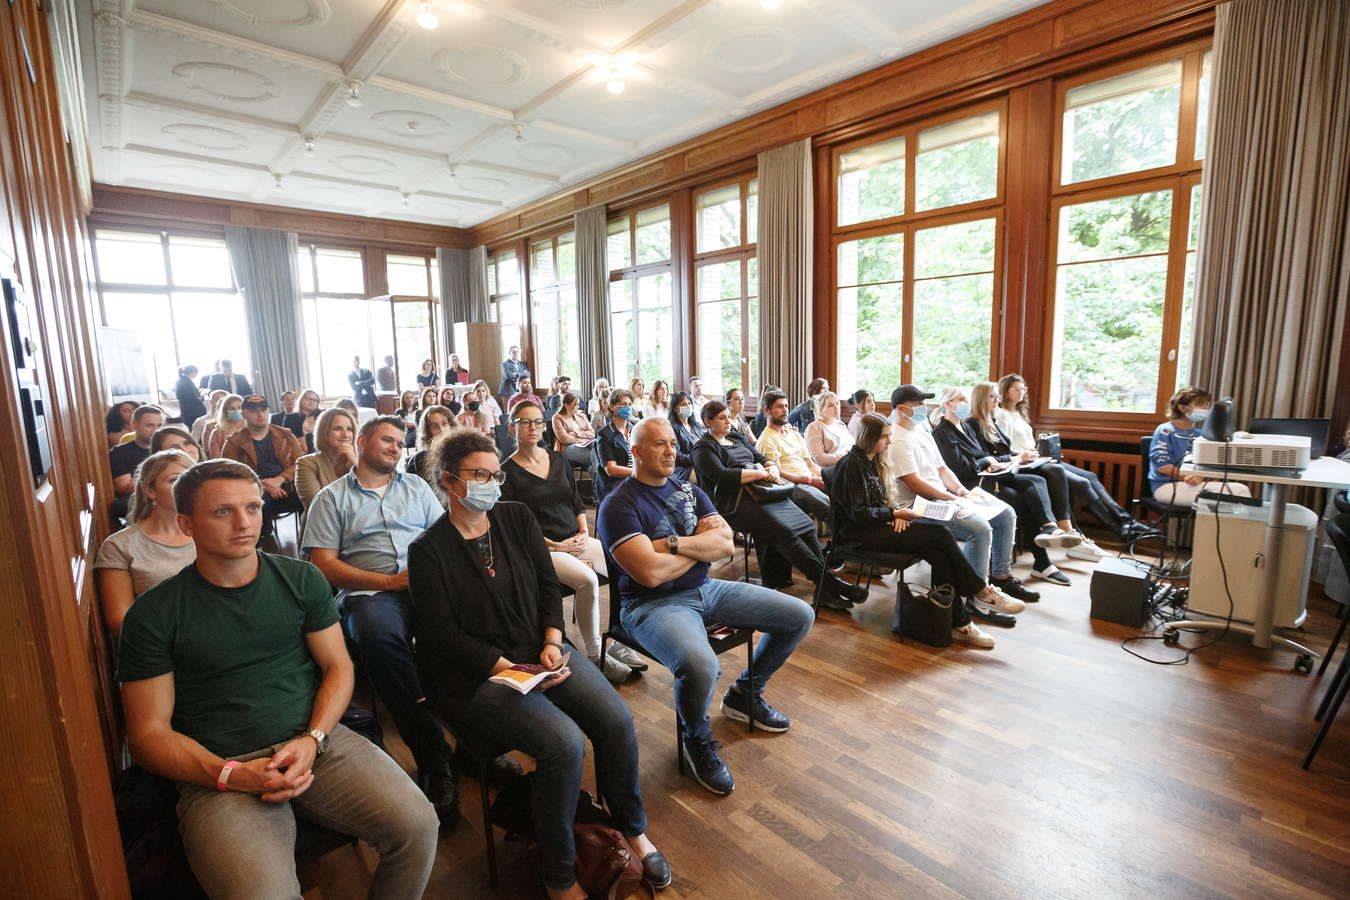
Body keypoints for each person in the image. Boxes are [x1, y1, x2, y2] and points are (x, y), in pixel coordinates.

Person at [117, 458, 439, 900]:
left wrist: (314, 738)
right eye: (223, 511)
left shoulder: (300, 579)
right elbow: (148, 735)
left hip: (315, 744)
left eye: (252, 507)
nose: (244, 523)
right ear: (186, 524)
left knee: (418, 826)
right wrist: (231, 774)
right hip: (219, 770)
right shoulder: (153, 615)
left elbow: (338, 667)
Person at [407, 429, 670, 899]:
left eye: (496, 475)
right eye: (480, 475)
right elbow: (443, 636)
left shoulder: (516, 517)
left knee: (615, 719)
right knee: (563, 745)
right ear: (449, 480)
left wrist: (551, 638)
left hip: (541, 652)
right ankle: (559, 875)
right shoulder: (428, 550)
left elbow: (549, 586)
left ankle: (633, 830)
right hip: (480, 676)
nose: (493, 484)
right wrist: (511, 670)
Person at [598, 416, 815, 796]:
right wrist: (699, 550)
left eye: (672, 443)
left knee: (799, 615)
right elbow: (649, 574)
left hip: (707, 588)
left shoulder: (690, 491)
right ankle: (696, 736)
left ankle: (744, 695)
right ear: (636, 452)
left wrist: (671, 545)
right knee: (701, 666)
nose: (671, 451)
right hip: (651, 605)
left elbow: (725, 544)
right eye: (659, 444)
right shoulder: (618, 504)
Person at [304, 416, 474, 821]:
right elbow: (323, 565)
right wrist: (388, 582)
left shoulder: (416, 486)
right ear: (362, 442)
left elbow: (444, 536)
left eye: (400, 442)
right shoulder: (331, 498)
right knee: (378, 639)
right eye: (387, 440)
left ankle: (474, 744)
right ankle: (434, 758)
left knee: (473, 628)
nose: (396, 448)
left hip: (425, 585)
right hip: (370, 592)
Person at [833, 414, 1008, 648]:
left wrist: (895, 513)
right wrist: (894, 514)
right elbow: (857, 514)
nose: (889, 441)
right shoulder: (849, 465)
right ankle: (980, 591)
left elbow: (883, 499)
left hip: (877, 526)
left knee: (939, 555)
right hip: (857, 537)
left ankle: (960, 623)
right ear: (869, 438)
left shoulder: (874, 460)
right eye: (884, 437)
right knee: (940, 534)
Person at [501, 400, 646, 682]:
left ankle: (619, 639)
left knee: (624, 564)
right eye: (525, 422)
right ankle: (595, 655)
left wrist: (583, 531)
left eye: (537, 422)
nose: (533, 427)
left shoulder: (557, 459)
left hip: (574, 539)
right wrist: (557, 546)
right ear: (512, 427)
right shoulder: (508, 473)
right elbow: (516, 526)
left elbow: (576, 502)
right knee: (587, 579)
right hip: (542, 549)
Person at [693, 401, 867, 607]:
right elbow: (723, 476)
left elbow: (758, 456)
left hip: (761, 492)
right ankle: (832, 585)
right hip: (734, 503)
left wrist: (771, 466)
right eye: (722, 418)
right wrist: (760, 473)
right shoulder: (703, 448)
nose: (728, 421)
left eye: (728, 417)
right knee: (785, 532)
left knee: (805, 525)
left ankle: (825, 589)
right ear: (708, 422)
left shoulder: (735, 437)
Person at [888, 384, 1037, 624]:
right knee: (979, 528)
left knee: (1005, 513)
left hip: (942, 496)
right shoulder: (897, 439)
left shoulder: (922, 432)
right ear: (901, 409)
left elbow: (942, 469)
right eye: (916, 404)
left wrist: (960, 490)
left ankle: (1001, 578)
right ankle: (979, 599)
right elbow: (914, 484)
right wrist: (952, 497)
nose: (922, 407)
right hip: (919, 507)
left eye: (922, 403)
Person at [928, 386, 1082, 587]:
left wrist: (991, 462)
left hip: (985, 476)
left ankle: (1049, 528)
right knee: (1020, 500)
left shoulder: (965, 427)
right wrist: (987, 462)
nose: (967, 403)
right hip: (969, 485)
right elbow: (962, 469)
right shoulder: (942, 432)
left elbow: (981, 457)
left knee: (1036, 482)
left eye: (966, 399)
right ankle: (1041, 562)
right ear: (948, 404)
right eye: (962, 399)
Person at [967, 381, 1107, 565]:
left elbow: (1005, 450)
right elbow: (986, 457)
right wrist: (1017, 458)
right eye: (993, 396)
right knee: (1040, 481)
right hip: (997, 473)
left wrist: (1026, 455)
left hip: (1009, 464)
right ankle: (1059, 531)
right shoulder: (972, 424)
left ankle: (1063, 527)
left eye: (998, 396)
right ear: (981, 398)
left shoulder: (992, 420)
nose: (997, 400)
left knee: (1055, 470)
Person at [996, 374, 1147, 540]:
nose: (1021, 392)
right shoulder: (1002, 415)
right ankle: (1119, 527)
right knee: (1082, 483)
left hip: (1037, 458)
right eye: (1016, 389)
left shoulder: (1018, 412)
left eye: (1023, 389)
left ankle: (1125, 521)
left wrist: (1046, 453)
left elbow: (1027, 443)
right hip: (1026, 463)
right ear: (1005, 391)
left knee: (1090, 476)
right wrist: (1026, 455)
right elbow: (1007, 447)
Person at [95, 449, 197, 640]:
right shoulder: (119, 545)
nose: (186, 487)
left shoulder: (211, 533)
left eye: (191, 479)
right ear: (150, 491)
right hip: (163, 644)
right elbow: (120, 622)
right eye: (174, 480)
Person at [1148, 388, 1253, 505]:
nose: (1206, 408)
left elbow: (1208, 465)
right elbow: (1163, 467)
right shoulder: (1165, 430)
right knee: (1240, 490)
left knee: (1231, 496)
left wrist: (1202, 477)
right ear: (1182, 408)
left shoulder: (1200, 435)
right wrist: (1191, 477)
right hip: (1167, 486)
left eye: (1206, 404)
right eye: (1200, 405)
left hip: (1194, 484)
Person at [222, 395, 305, 537]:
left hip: (287, 485)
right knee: (255, 504)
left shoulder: (285, 434)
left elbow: (300, 463)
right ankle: (258, 542)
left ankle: (310, 541)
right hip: (253, 489)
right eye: (254, 410)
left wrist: (279, 480)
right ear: (243, 414)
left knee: (311, 497)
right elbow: (230, 475)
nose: (260, 414)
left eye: (263, 409)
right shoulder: (234, 442)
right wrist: (263, 486)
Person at [755, 389, 830, 520]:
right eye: (780, 406)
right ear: (767, 411)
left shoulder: (794, 434)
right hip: (792, 485)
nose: (785, 410)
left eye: (786, 406)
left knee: (842, 489)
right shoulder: (767, 439)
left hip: (808, 478)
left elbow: (810, 464)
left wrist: (825, 477)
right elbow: (778, 474)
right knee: (828, 506)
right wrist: (809, 480)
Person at [296, 407, 359, 517]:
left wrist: (355, 465)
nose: (345, 434)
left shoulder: (359, 462)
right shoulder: (306, 463)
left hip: (359, 524)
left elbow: (372, 499)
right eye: (337, 429)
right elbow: (318, 506)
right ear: (324, 432)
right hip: (322, 525)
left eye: (349, 429)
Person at [109, 405, 164, 521]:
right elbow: (125, 488)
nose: (156, 431)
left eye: (159, 425)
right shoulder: (119, 452)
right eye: (149, 425)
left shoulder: (167, 448)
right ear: (134, 425)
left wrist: (141, 481)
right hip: (140, 504)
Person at [594, 388, 636, 507]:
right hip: (615, 483)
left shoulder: (636, 429)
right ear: (611, 407)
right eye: (623, 404)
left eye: (629, 404)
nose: (627, 408)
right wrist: (638, 473)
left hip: (635, 478)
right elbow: (611, 470)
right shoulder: (605, 434)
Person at [804, 390, 854, 481]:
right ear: (821, 409)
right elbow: (819, 458)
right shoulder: (814, 427)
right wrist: (847, 457)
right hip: (834, 470)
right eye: (831, 405)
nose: (836, 407)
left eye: (837, 404)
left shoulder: (840, 424)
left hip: (850, 464)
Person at [406, 404, 455, 483]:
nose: (441, 430)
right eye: (434, 426)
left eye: (444, 424)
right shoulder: (421, 458)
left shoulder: (464, 452)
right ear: (427, 431)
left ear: (451, 425)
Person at [667, 391, 704, 482]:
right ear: (675, 408)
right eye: (683, 404)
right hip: (683, 468)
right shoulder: (672, 427)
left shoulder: (695, 425)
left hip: (700, 463)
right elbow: (676, 456)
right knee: (710, 475)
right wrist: (698, 458)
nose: (688, 406)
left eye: (689, 403)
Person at [553, 391, 596, 469]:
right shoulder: (557, 418)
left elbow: (592, 434)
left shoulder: (582, 417)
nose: (578, 407)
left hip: (585, 443)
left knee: (597, 444)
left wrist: (575, 433)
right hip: (567, 447)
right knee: (595, 456)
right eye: (576, 405)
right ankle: (597, 474)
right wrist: (582, 439)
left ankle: (596, 473)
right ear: (567, 406)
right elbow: (564, 439)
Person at [282, 388, 321, 453]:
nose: (311, 402)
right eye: (308, 399)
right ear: (301, 399)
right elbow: (290, 439)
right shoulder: (290, 418)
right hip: (298, 451)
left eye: (315, 400)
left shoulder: (322, 415)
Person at [208, 394, 246, 460]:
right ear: (225, 411)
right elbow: (216, 459)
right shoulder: (217, 433)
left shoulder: (251, 429)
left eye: (239, 407)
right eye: (232, 408)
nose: (236, 411)